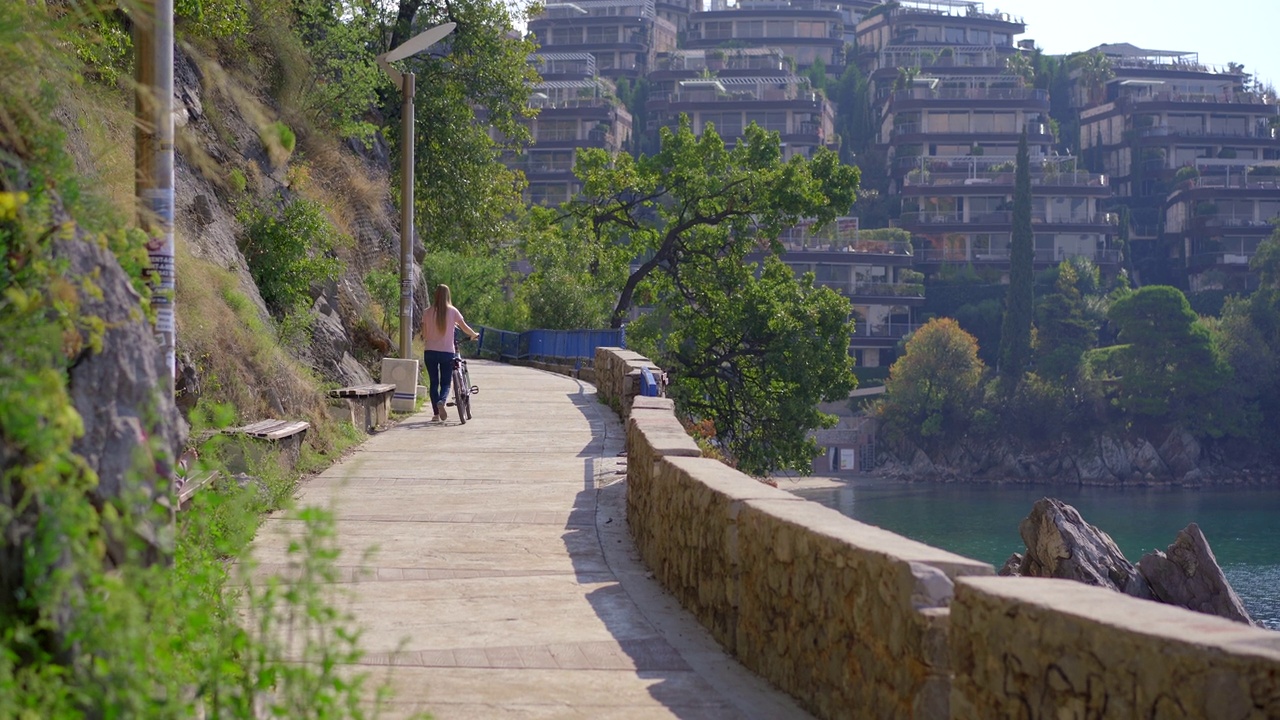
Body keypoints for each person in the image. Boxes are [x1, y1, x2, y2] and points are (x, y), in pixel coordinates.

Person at [421, 284, 478, 422]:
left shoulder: (427, 312)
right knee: (446, 382)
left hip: (430, 352)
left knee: (434, 383)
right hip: (447, 352)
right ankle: (442, 401)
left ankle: (435, 414)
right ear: (448, 295)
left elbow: (424, 334)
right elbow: (464, 328)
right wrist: (474, 334)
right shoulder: (453, 311)